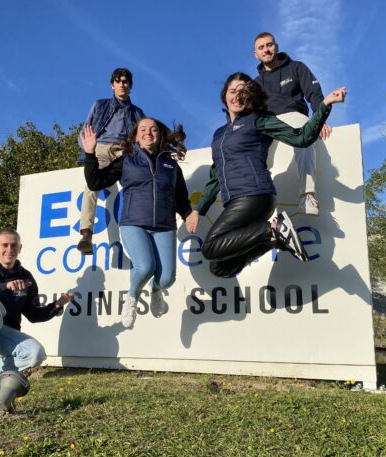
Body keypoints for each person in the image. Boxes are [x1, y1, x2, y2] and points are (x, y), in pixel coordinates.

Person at [185, 72, 346, 278]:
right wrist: (198, 210)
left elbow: (302, 138)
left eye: (243, 92)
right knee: (219, 267)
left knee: (210, 247)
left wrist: (325, 105)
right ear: (225, 95)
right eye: (232, 91)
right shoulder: (219, 135)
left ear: (250, 96)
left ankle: (273, 229)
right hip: (233, 200)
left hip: (254, 194)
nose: (237, 96)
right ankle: (274, 239)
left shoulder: (258, 120)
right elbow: (216, 176)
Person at [80, 118, 191, 328]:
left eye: (153, 129)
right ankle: (132, 298)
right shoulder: (127, 160)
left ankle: (156, 290)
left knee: (167, 278)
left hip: (165, 226)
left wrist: (188, 213)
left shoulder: (171, 164)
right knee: (145, 266)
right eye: (143, 129)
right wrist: (89, 154)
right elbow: (95, 182)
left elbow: (181, 197)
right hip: (134, 223)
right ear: (136, 136)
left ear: (160, 134)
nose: (148, 132)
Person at [0, 229, 74, 386]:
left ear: (20, 248)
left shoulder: (26, 277)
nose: (9, 250)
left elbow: (33, 315)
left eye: (13, 245)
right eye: (4, 245)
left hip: (3, 336)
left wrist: (56, 306)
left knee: (36, 353)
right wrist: (4, 287)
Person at [254, 32, 331, 216]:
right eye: (261, 47)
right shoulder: (255, 84)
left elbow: (314, 93)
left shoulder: (296, 67)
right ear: (256, 54)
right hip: (267, 123)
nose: (266, 49)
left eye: (269, 45)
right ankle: (260, 206)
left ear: (276, 46)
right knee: (255, 156)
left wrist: (321, 120)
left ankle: (307, 196)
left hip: (293, 115)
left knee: (305, 135)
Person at [77, 67, 145, 255]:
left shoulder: (137, 113)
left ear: (130, 86)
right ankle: (86, 234)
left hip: (124, 150)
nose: (122, 84)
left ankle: (139, 229)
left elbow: (144, 137)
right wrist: (87, 149)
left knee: (135, 184)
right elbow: (86, 129)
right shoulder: (100, 105)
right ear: (112, 85)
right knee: (92, 185)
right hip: (101, 146)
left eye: (125, 81)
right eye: (118, 81)